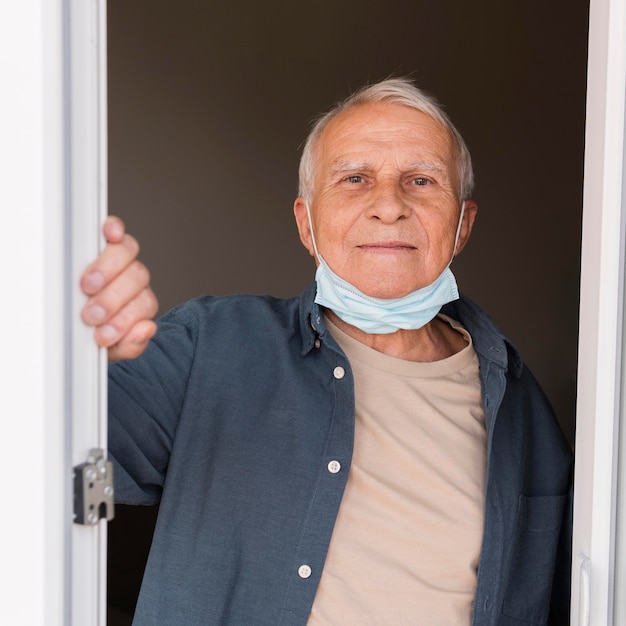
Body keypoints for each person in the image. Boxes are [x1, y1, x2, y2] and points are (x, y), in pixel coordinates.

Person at [80, 78, 573, 625]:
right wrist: (77, 347)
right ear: (306, 224)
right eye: (355, 179)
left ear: (462, 226)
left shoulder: (518, 400)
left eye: (421, 180)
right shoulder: (208, 346)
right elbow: (48, 452)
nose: (389, 205)